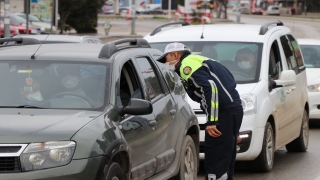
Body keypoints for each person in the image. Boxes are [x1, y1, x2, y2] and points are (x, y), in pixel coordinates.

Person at [157, 42, 243, 180]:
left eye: (165, 58)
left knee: (216, 159)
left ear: (175, 54)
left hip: (223, 113)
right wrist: (234, 129)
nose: (165, 63)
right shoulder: (201, 60)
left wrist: (212, 121)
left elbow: (210, 88)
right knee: (226, 160)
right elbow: (229, 82)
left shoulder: (186, 64)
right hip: (233, 110)